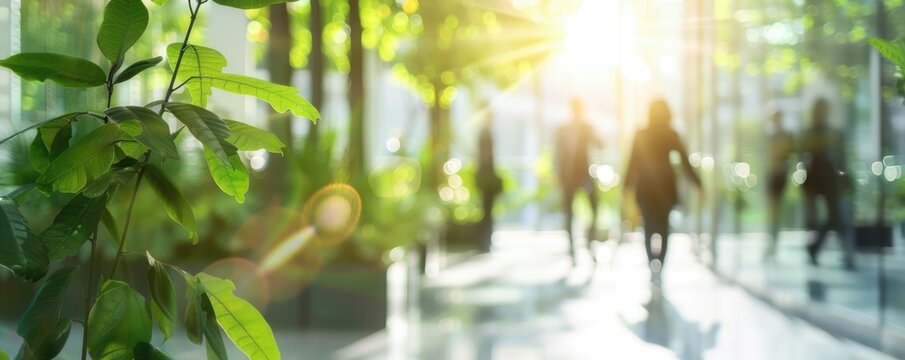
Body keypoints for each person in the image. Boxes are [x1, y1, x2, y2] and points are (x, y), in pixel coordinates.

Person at [625, 99, 702, 280]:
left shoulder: (641, 134)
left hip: (645, 186)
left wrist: (626, 186)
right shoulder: (670, 134)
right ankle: (659, 263)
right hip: (665, 187)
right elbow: (685, 161)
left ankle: (653, 263)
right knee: (664, 228)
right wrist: (698, 184)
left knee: (649, 227)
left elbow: (632, 163)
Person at [799, 99, 852, 268]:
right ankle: (814, 249)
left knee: (834, 217)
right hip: (815, 178)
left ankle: (815, 248)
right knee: (814, 219)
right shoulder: (810, 133)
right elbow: (802, 156)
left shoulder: (832, 132)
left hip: (829, 178)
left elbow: (840, 157)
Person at [555, 98, 602, 264]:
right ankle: (571, 248)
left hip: (585, 175)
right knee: (568, 213)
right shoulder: (562, 130)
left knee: (594, 209)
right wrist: (558, 175)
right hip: (568, 176)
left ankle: (589, 243)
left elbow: (600, 144)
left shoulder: (587, 128)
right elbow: (557, 153)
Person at [764, 110, 793, 261]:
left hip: (779, 175)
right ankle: (772, 242)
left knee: (776, 210)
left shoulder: (783, 136)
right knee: (772, 210)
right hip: (773, 175)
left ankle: (774, 243)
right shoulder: (770, 136)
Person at [475, 110, 502, 251]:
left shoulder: (485, 132)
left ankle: (486, 240)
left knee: (486, 210)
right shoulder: (485, 133)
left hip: (485, 176)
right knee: (487, 210)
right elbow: (486, 157)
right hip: (487, 177)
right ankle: (485, 241)